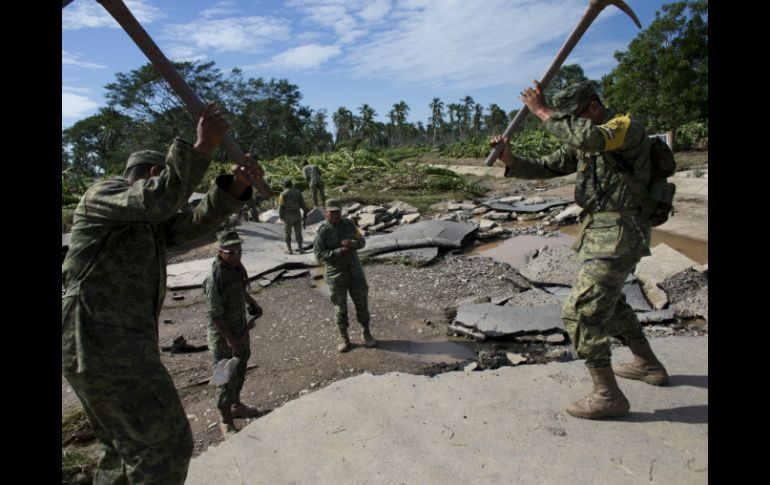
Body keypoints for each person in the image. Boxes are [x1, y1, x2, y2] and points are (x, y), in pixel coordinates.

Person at [62, 101, 264, 484]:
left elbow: (195, 224)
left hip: (108, 346)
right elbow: (159, 200)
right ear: (155, 173)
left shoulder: (147, 224)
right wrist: (203, 146)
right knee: (165, 446)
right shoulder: (102, 196)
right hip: (99, 342)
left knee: (125, 450)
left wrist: (237, 186)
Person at [491, 80, 669, 420]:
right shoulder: (588, 136)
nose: (571, 124)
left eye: (573, 116)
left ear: (592, 107)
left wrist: (542, 111)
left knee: (581, 311)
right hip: (598, 232)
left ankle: (608, 396)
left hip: (620, 233)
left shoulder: (622, 127)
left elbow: (587, 137)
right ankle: (648, 365)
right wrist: (512, 159)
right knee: (612, 304)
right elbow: (550, 165)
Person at [202, 230, 263, 438]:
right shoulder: (215, 278)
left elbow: (240, 289)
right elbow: (215, 315)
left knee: (241, 370)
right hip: (224, 338)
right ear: (220, 253)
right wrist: (231, 341)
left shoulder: (236, 269)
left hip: (240, 331)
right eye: (231, 252)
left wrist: (252, 303)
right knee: (225, 378)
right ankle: (225, 420)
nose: (237, 256)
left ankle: (236, 406)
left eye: (239, 252)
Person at [313, 201, 375, 353]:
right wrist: (338, 252)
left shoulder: (349, 224)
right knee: (340, 308)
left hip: (355, 273)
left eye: (338, 212)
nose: (335, 216)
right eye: (332, 213)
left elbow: (362, 242)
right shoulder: (322, 231)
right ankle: (344, 338)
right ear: (326, 213)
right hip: (336, 276)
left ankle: (366, 333)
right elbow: (319, 255)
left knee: (362, 303)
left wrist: (352, 244)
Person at [277, 179, 308, 254]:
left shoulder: (283, 194)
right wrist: (305, 213)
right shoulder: (298, 192)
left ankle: (289, 249)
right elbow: (303, 204)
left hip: (287, 216)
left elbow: (281, 207)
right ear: (291, 184)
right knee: (298, 232)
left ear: (285, 186)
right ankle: (300, 249)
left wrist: (280, 216)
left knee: (287, 233)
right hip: (297, 214)